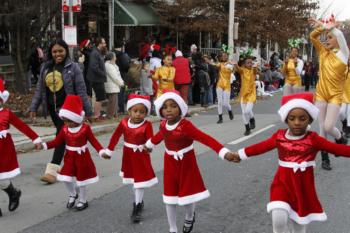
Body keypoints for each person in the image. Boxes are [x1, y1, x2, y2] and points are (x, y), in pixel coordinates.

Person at [231, 92, 350, 233]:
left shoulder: (314, 139)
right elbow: (261, 147)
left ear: (310, 120)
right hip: (282, 183)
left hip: (303, 187)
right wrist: (240, 154)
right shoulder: (279, 136)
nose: (297, 123)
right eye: (292, 118)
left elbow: (338, 149)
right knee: (278, 218)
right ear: (286, 120)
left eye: (302, 118)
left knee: (299, 226)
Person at [144, 90, 235, 233]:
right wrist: (149, 145)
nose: (169, 109)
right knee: (169, 196)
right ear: (161, 110)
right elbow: (161, 135)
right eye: (165, 106)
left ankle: (189, 216)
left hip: (186, 162)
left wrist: (224, 152)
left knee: (188, 193)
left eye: (173, 106)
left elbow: (206, 139)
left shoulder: (186, 126)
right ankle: (172, 228)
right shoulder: (163, 124)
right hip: (170, 162)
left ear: (181, 108)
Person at [29, 39, 93, 184]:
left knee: (61, 135)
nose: (58, 54)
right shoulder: (46, 67)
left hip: (68, 110)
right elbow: (40, 89)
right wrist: (33, 107)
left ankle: (52, 170)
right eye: (54, 51)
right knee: (66, 137)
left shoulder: (74, 67)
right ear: (50, 53)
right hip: (53, 109)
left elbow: (81, 91)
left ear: (65, 51)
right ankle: (76, 162)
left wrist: (87, 111)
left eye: (60, 51)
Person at [41, 95, 105, 211]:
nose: (67, 123)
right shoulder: (64, 129)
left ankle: (83, 200)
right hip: (69, 157)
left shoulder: (85, 129)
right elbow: (57, 142)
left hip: (82, 157)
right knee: (65, 177)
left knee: (82, 180)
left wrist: (101, 151)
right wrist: (45, 145)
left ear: (77, 118)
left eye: (70, 121)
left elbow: (94, 141)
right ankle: (72, 194)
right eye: (65, 121)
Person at [103, 94, 158, 223]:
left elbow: (151, 139)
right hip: (128, 155)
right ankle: (139, 200)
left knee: (139, 182)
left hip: (141, 156)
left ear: (146, 113)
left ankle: (137, 206)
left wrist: (149, 147)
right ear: (129, 111)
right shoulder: (123, 123)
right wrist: (109, 151)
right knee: (134, 181)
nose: (138, 114)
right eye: (135, 111)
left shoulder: (147, 125)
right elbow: (115, 136)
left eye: (142, 112)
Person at [308, 16, 350, 170]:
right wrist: (321, 28)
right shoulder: (323, 52)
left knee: (328, 126)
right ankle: (325, 158)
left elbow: (338, 35)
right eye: (327, 37)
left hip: (335, 95)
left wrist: (329, 27)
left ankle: (340, 138)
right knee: (321, 128)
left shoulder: (344, 54)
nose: (328, 39)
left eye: (330, 37)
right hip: (321, 94)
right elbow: (312, 36)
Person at [0, 79, 42, 217]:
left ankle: (13, 193)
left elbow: (22, 126)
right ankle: (13, 193)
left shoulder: (6, 113)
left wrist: (35, 138)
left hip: (3, 150)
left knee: (1, 178)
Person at [233, 55, 257, 136]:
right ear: (245, 64)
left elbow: (256, 70)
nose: (250, 64)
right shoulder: (243, 70)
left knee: (247, 111)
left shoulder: (253, 70)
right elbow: (238, 69)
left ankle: (252, 119)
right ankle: (247, 128)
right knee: (243, 112)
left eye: (251, 63)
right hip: (243, 94)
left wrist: (256, 66)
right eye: (248, 63)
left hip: (251, 94)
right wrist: (235, 64)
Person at [87, 37, 107, 120]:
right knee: (99, 97)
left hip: (98, 78)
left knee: (100, 97)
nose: (105, 44)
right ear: (99, 44)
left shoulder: (98, 52)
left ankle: (97, 114)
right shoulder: (95, 53)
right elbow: (94, 67)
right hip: (96, 79)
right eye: (104, 43)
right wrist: (103, 73)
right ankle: (96, 115)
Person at [214, 52, 234, 124]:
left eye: (226, 56)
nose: (224, 57)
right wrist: (209, 62)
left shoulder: (230, 64)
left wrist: (231, 65)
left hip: (227, 85)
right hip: (219, 84)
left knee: (225, 103)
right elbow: (215, 65)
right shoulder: (220, 64)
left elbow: (232, 70)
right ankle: (220, 118)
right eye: (223, 56)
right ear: (221, 57)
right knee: (219, 102)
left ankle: (230, 110)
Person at [104, 52, 125, 119]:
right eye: (115, 56)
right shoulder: (108, 65)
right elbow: (114, 76)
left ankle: (114, 114)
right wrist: (121, 83)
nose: (116, 58)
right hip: (112, 86)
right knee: (113, 102)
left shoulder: (112, 65)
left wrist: (121, 82)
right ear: (112, 57)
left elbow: (117, 75)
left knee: (114, 101)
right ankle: (110, 115)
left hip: (114, 85)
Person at [114, 42, 131, 114]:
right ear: (121, 47)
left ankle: (116, 108)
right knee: (121, 91)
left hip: (113, 75)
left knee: (115, 92)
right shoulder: (123, 55)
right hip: (122, 74)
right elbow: (126, 65)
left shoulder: (112, 54)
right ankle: (121, 109)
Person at [339, 58, 350, 138]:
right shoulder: (344, 69)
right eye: (348, 60)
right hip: (343, 95)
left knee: (349, 113)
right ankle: (344, 123)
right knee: (341, 112)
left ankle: (348, 130)